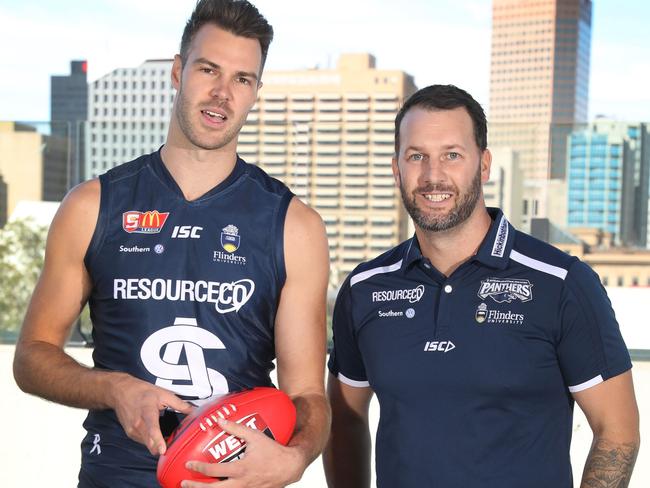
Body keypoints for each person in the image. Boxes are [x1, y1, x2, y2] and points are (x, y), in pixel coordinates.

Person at [13, 1, 330, 486]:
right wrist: (115, 389)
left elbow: (308, 393)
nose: (222, 94)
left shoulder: (293, 225)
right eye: (209, 69)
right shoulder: (93, 205)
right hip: (115, 474)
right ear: (179, 72)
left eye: (243, 79)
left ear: (256, 93)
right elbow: (32, 356)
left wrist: (295, 458)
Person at [323, 84, 640, 488]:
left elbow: (618, 432)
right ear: (396, 168)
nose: (433, 175)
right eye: (416, 156)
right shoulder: (365, 288)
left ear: (484, 165)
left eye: (452, 155)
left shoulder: (561, 283)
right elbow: (345, 417)